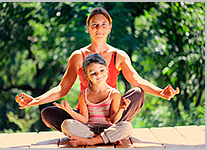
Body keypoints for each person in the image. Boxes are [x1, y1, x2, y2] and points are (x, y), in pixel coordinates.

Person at [15, 7, 180, 132]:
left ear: (109, 28)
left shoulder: (119, 55)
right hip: (86, 117)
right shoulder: (78, 56)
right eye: (94, 25)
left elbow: (137, 80)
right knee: (48, 113)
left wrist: (160, 92)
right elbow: (62, 89)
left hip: (113, 114)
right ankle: (96, 132)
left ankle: (110, 129)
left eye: (103, 25)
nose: (99, 29)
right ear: (88, 27)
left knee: (137, 93)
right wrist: (35, 100)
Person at [52, 53, 132, 146]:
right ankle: (103, 138)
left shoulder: (114, 94)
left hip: (107, 128)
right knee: (66, 125)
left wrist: (121, 108)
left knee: (127, 127)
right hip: (90, 129)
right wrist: (69, 111)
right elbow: (85, 120)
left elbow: (113, 120)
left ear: (107, 70)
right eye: (93, 73)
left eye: (101, 70)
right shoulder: (83, 95)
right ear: (87, 76)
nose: (98, 74)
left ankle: (91, 141)